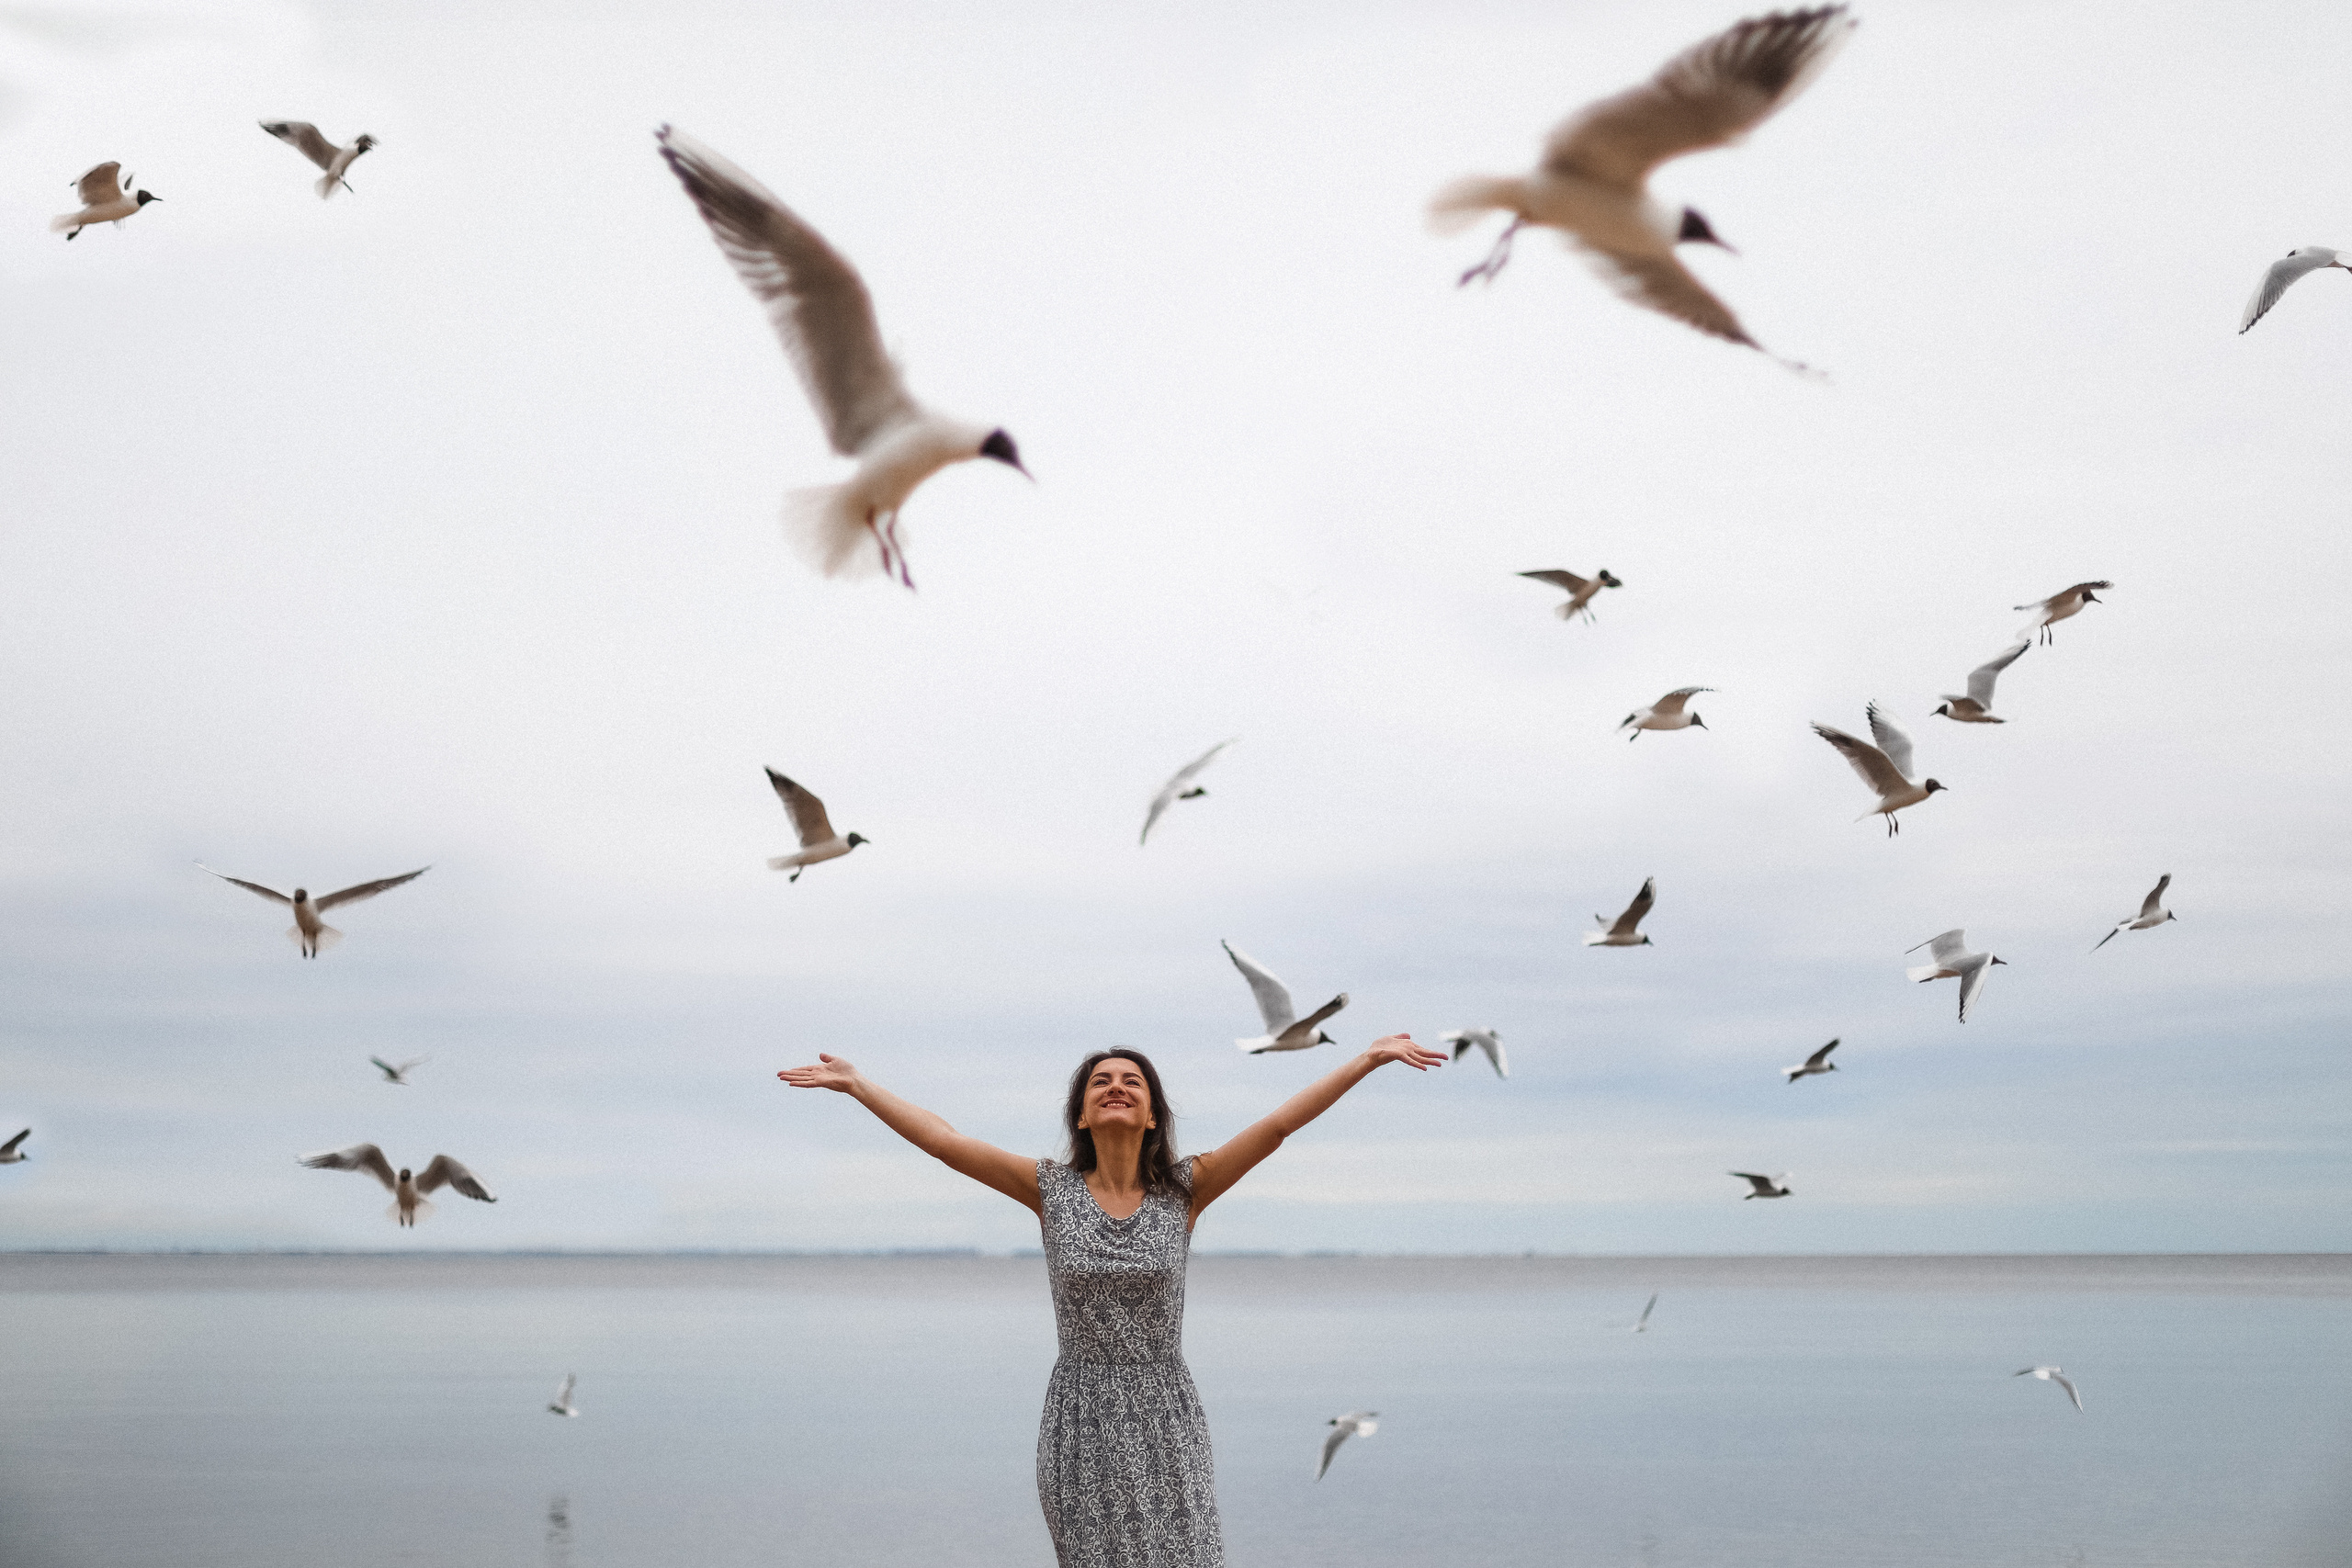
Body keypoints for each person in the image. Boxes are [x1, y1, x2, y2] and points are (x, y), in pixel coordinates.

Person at [778, 1033, 1444, 1568]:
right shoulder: (1050, 1190)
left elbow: (1275, 1127)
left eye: (1132, 1080)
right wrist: (861, 1085)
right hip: (1080, 1416)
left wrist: (1364, 1059)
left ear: (1152, 1112)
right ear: (1082, 1113)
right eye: (1101, 1081)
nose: (1117, 1086)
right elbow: (945, 1141)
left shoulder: (1186, 1188)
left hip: (1165, 1412)